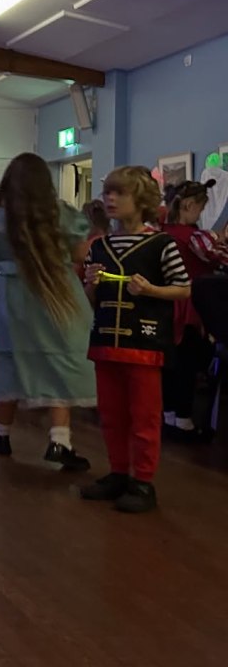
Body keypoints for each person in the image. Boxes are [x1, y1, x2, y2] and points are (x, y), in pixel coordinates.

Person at [81, 166, 190, 514]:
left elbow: (183, 288)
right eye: (108, 193)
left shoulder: (162, 244)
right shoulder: (99, 247)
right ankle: (118, 472)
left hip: (144, 343)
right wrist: (90, 285)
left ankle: (143, 480)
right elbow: (92, 300)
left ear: (141, 200)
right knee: (111, 413)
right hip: (105, 341)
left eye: (120, 193)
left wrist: (151, 290)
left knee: (144, 415)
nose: (110, 199)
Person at [0, 154, 94, 470]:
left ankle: (0, 435)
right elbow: (80, 253)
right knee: (59, 358)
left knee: (9, 359)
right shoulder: (60, 214)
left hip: (11, 296)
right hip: (56, 291)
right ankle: (60, 442)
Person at [160, 179, 226, 439]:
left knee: (171, 365)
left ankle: (169, 417)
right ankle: (184, 420)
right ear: (189, 205)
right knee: (187, 364)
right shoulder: (194, 238)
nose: (200, 214)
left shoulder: (162, 233)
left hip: (165, 304)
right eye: (200, 208)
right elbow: (219, 258)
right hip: (188, 307)